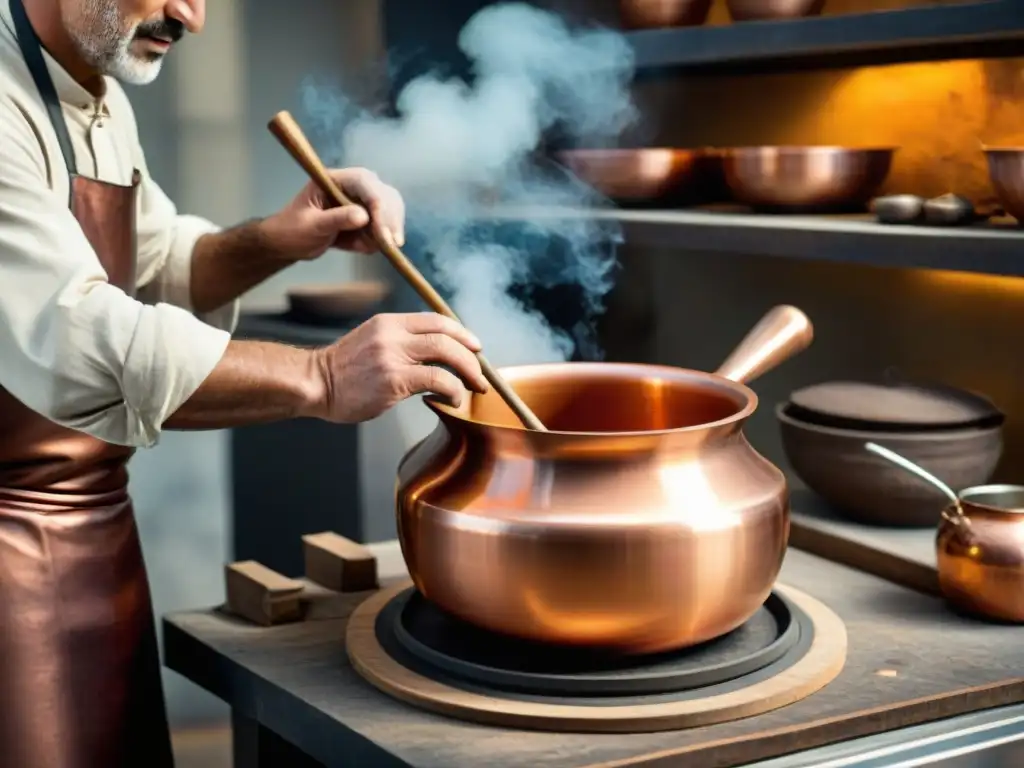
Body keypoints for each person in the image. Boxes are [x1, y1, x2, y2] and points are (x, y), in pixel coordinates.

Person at [0, 0, 489, 765]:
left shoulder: (93, 91)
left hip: (97, 537)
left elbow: (158, 268)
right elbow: (73, 336)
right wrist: (322, 376)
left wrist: (280, 239)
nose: (190, 17)